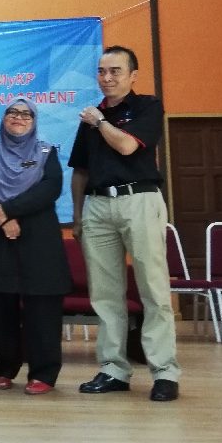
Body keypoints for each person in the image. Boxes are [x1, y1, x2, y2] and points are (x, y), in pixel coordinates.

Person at [68, 45, 180, 402]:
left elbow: (128, 147)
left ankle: (164, 372)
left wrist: (100, 123)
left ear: (133, 75)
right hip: (97, 207)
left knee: (153, 289)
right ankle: (113, 369)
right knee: (104, 293)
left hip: (139, 200)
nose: (107, 77)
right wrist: (78, 216)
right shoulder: (91, 117)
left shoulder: (146, 106)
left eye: (115, 71)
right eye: (101, 71)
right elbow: (80, 170)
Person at [0, 98, 72, 395]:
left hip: (38, 239)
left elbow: (50, 188)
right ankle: (3, 368)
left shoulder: (46, 152)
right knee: (1, 307)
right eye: (12, 112)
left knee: (43, 309)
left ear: (34, 121)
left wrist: (9, 211)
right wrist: (3, 219)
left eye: (26, 114)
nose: (19, 117)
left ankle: (43, 373)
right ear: (3, 118)